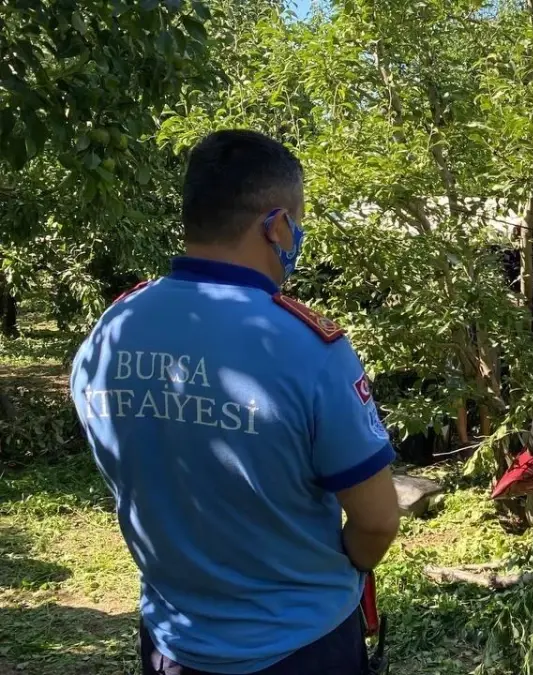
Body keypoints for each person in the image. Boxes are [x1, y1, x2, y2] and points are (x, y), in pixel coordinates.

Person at [69, 129, 401, 675]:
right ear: (276, 226)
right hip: (302, 646)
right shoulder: (306, 347)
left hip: (170, 644)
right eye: (296, 222)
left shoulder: (113, 329)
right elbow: (377, 522)